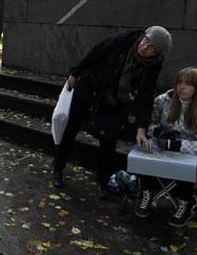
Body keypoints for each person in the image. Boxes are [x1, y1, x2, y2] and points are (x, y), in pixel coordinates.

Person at [52, 26, 172, 199]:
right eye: (147, 41)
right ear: (144, 36)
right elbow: (97, 51)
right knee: (71, 129)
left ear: (157, 54)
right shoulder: (124, 40)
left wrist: (140, 128)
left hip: (116, 103)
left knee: (109, 142)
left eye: (152, 47)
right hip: (90, 90)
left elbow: (145, 96)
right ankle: (58, 168)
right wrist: (75, 72)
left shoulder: (152, 67)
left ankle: (103, 181)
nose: (145, 47)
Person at [134, 67, 197, 227]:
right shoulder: (163, 100)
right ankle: (147, 193)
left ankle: (185, 202)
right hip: (162, 144)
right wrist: (158, 132)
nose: (181, 87)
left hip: (189, 149)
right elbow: (150, 123)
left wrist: (176, 145)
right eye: (179, 82)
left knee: (186, 165)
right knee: (146, 153)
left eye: (188, 84)